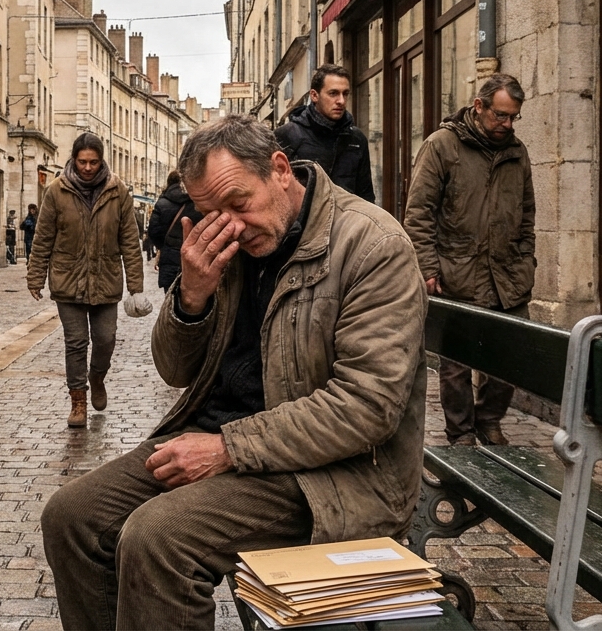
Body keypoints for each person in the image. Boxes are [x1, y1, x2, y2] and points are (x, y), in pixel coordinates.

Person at [42, 115, 428, 628]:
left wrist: (227, 448)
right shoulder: (229, 244)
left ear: (280, 169)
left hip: (332, 474)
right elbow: (174, 370)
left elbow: (365, 408)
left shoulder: (371, 245)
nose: (231, 225)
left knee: (159, 539)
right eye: (210, 213)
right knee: (71, 516)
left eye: (239, 204)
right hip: (228, 438)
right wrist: (192, 295)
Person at [403, 73, 535, 447]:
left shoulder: (517, 152)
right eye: (500, 116)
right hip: (456, 273)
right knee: (456, 367)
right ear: (479, 107)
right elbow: (419, 214)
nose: (507, 125)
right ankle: (460, 432)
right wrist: (428, 267)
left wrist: (527, 262)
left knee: (507, 361)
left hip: (508, 277)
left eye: (513, 118)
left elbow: (527, 214)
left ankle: (489, 419)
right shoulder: (442, 146)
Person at [26, 133, 146, 428]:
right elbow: (43, 237)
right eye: (83, 161)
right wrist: (35, 275)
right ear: (74, 159)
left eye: (94, 162)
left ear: (101, 160)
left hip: (106, 279)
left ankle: (97, 376)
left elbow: (130, 240)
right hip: (68, 280)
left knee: (106, 339)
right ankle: (78, 400)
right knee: (76, 342)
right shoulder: (56, 191)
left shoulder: (118, 191)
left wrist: (136, 286)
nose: (88, 167)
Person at [275, 63, 375, 202]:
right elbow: (275, 191)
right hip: (304, 222)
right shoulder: (287, 135)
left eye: (345, 94)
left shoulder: (356, 139)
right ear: (314, 95)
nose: (341, 101)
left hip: (346, 222)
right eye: (333, 93)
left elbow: (365, 194)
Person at [146, 170, 203, 293]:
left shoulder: (162, 203)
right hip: (192, 258)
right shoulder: (195, 202)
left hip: (169, 258)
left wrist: (164, 246)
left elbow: (153, 231)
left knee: (170, 295)